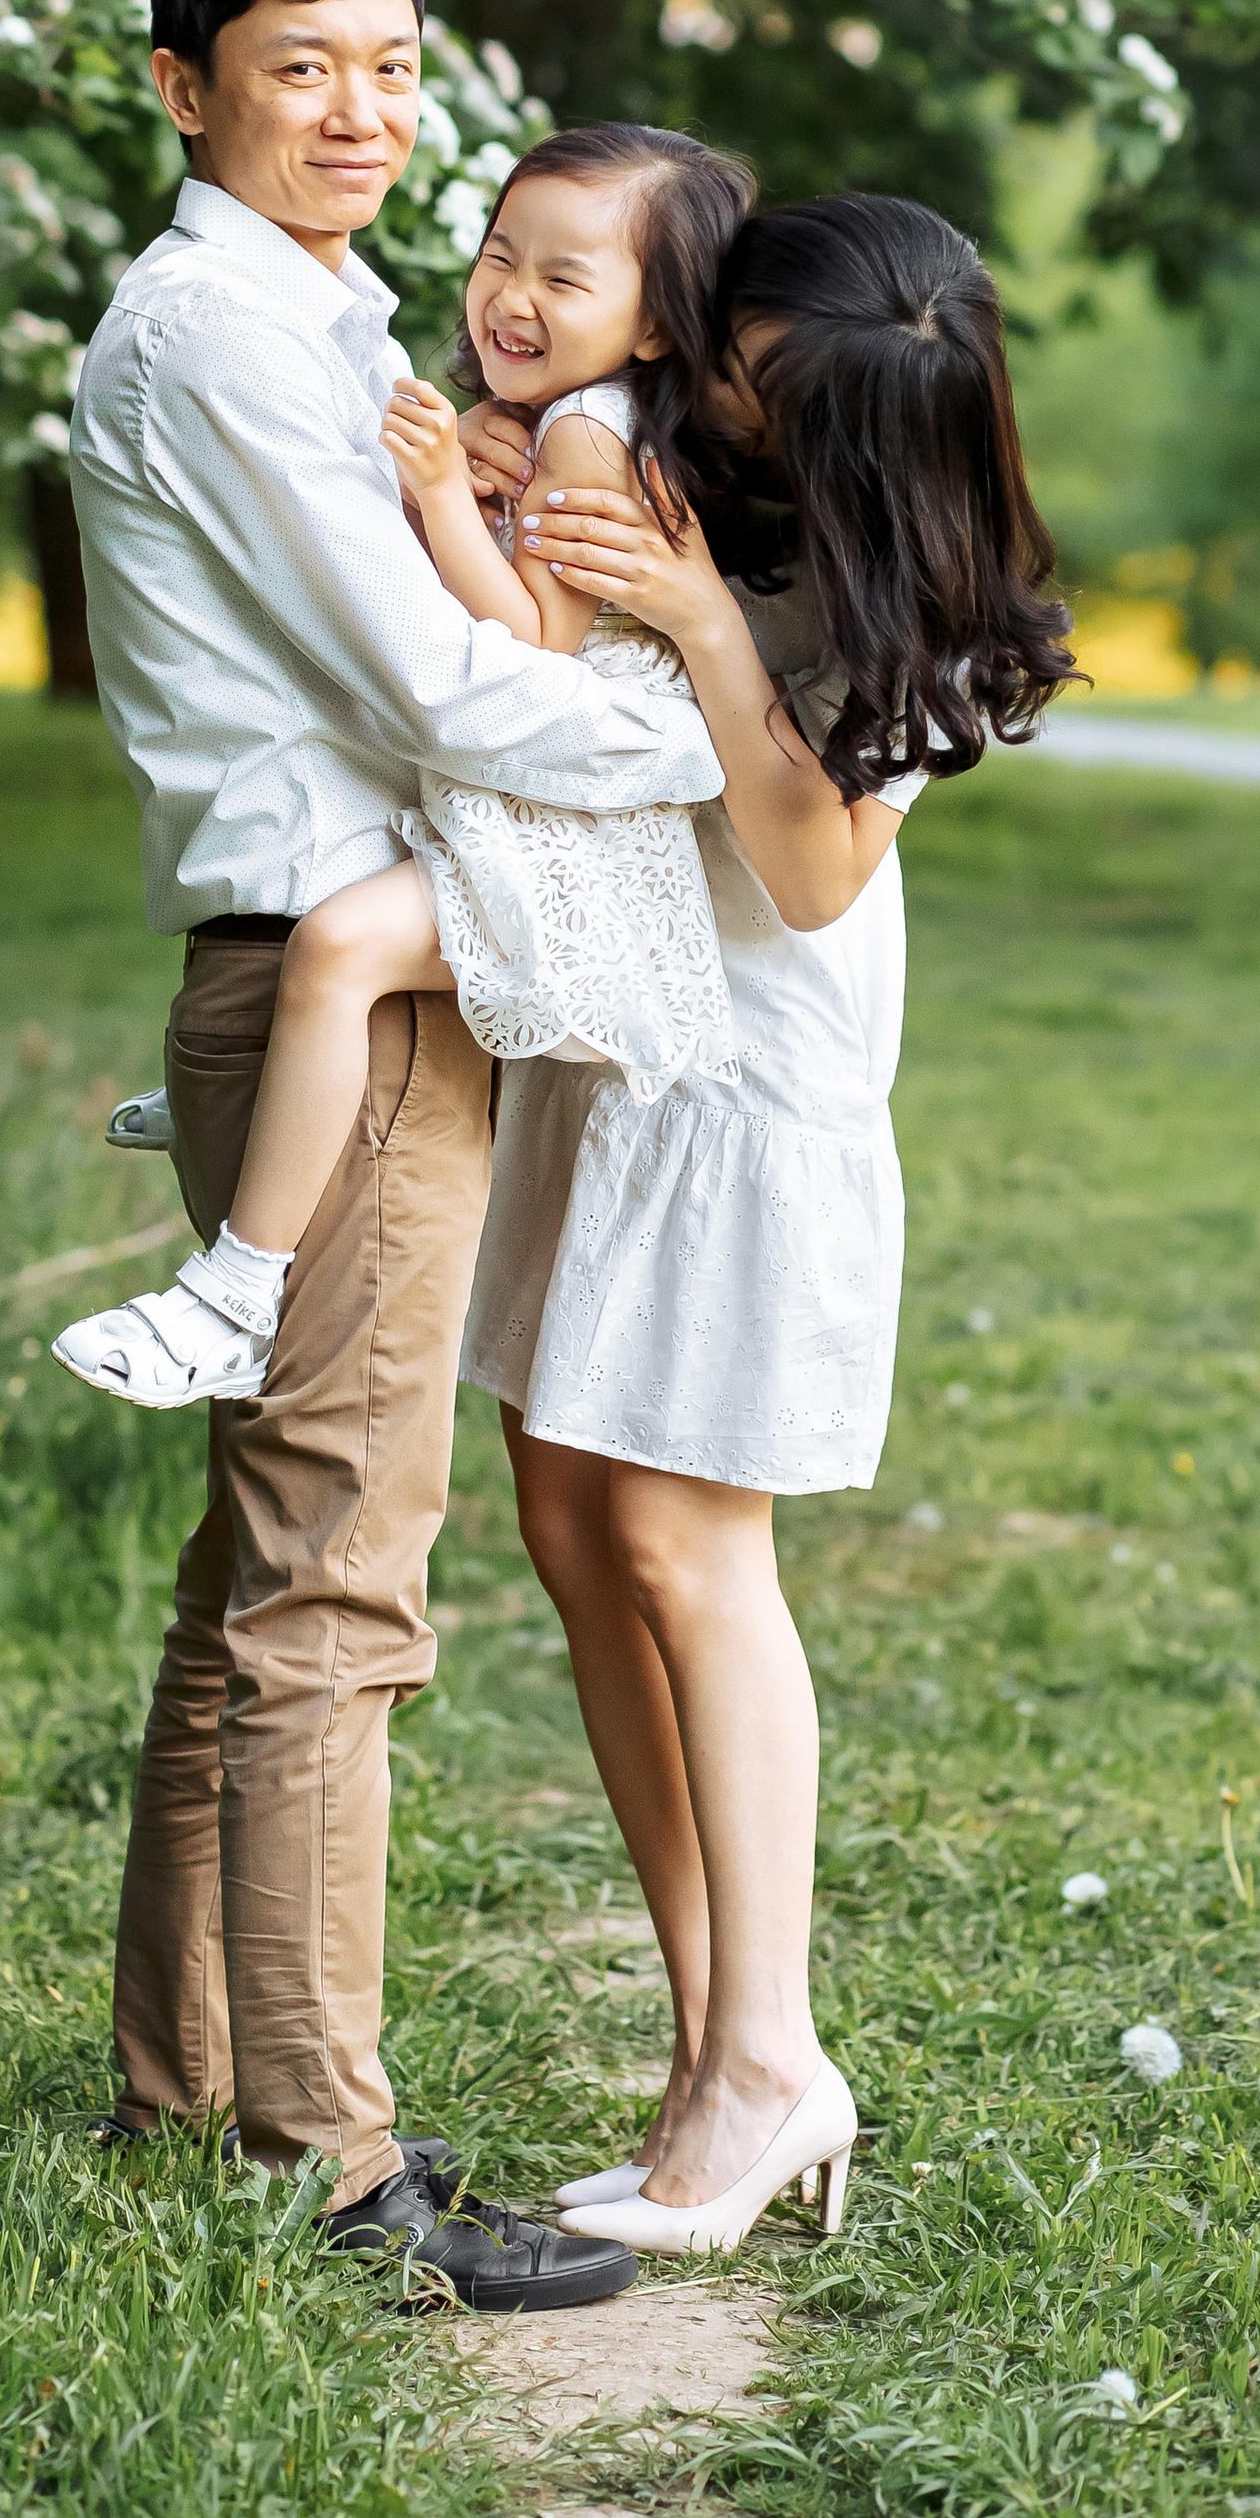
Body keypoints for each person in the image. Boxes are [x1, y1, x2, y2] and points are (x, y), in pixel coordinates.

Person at [57, 0, 725, 2314]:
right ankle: (338, 2163)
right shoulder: (220, 333)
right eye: (295, 71)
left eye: (385, 71)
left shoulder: (333, 315)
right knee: (337, 1584)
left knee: (260, 1579)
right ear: (182, 88)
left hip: (357, 971)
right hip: (327, 973)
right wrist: (701, 738)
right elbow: (446, 698)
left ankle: (187, 2089)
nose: (355, 116)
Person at [463, 193, 1076, 2256]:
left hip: (746, 1089)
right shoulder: (672, 451)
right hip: (604, 1045)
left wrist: (711, 624)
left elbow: (809, 875)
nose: (718, 402)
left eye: (755, 397)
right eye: (726, 357)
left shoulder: (929, 601)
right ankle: (709, 2043)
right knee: (562, 1517)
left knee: (678, 1536)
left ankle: (771, 2053)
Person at [59, 122, 750, 1410]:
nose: (513, 296)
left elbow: (533, 636)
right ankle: (276, 1117)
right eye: (501, 255)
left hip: (582, 822)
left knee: (335, 950)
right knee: (337, 950)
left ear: (656, 324)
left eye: (566, 277)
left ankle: (235, 1289)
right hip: (530, 800)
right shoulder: (548, 418)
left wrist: (437, 497)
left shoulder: (593, 430)